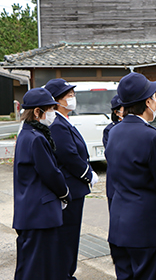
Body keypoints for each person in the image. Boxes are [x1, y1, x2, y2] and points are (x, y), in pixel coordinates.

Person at [105, 72, 156, 279]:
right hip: (148, 227)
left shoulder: (114, 132)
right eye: (154, 98)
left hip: (119, 224)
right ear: (147, 101)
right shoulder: (153, 137)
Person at [13, 88, 71, 280]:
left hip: (30, 211)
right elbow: (51, 173)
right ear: (37, 112)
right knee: (35, 267)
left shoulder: (26, 134)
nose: (52, 114)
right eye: (50, 109)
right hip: (40, 213)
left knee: (31, 264)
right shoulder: (36, 138)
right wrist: (65, 193)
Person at [45, 78, 98, 280]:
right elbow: (68, 155)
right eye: (68, 96)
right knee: (68, 234)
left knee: (71, 234)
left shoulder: (63, 121)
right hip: (70, 189)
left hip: (75, 188)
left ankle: (66, 272)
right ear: (57, 101)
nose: (72, 99)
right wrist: (87, 174)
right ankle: (65, 274)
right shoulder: (57, 123)